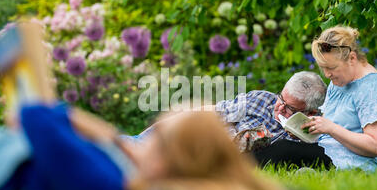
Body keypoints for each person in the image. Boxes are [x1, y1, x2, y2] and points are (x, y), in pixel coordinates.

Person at [0, 22, 293, 190]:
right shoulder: (127, 177)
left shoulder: (111, 185)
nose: (150, 135)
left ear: (165, 161)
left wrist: (105, 132)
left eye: (161, 136)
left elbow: (36, 117)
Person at [254, 26, 377, 172]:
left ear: (352, 58)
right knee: (280, 147)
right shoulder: (339, 81)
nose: (327, 74)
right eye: (322, 68)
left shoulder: (373, 89)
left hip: (363, 162)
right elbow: (329, 130)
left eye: (331, 68)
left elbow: (375, 146)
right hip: (331, 151)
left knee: (284, 150)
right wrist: (305, 131)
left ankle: (237, 170)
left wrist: (331, 128)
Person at [128, 71, 327, 149]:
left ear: (310, 113)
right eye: (280, 98)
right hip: (196, 140)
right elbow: (211, 112)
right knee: (132, 144)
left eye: (289, 108)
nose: (279, 108)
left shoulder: (315, 135)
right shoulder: (262, 100)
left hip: (212, 158)